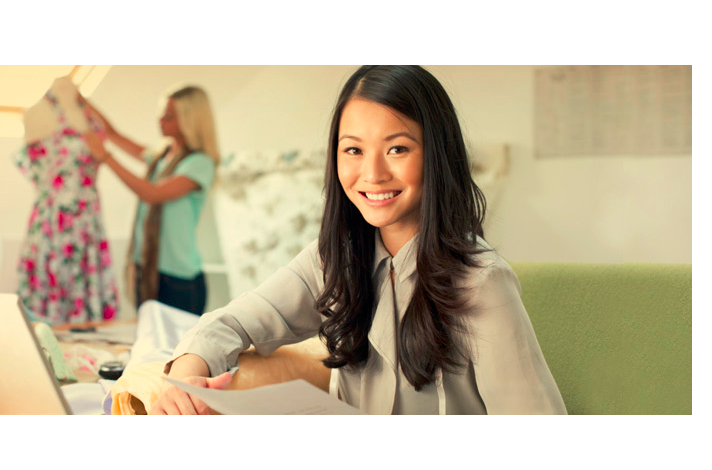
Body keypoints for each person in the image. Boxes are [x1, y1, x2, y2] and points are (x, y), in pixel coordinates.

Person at [97, 65, 566, 415]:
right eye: (353, 150)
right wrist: (184, 380)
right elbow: (231, 323)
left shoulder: (480, 284)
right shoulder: (333, 259)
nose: (372, 172)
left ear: (437, 155)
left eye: (397, 148)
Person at [80, 86, 219, 316]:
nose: (160, 120)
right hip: (148, 272)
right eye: (161, 113)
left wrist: (104, 157)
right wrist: (80, 100)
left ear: (189, 121)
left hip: (179, 281)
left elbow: (152, 193)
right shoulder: (161, 155)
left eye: (169, 116)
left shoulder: (200, 163)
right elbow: (112, 134)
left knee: (175, 351)